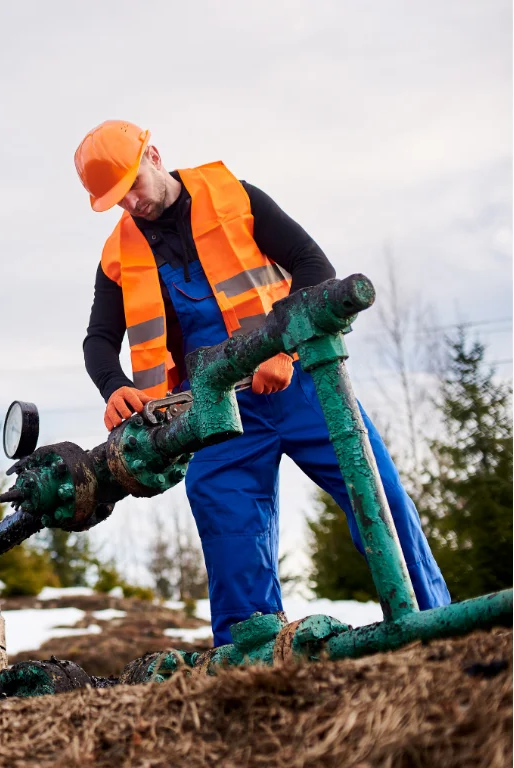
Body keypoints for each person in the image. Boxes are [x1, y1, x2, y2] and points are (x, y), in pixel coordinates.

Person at [73, 119, 450, 645]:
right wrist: (113, 385)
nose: (132, 203)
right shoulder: (117, 254)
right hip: (214, 411)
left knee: (377, 495)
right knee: (229, 528)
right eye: (117, 199)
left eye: (133, 184)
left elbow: (313, 265)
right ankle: (249, 659)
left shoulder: (236, 196)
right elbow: (98, 339)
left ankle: (435, 629)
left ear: (153, 155)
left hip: (302, 386)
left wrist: (285, 346)